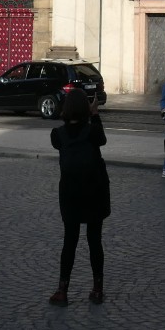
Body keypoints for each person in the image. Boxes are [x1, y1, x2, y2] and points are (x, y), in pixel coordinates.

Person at [48, 89, 109, 305]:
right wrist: (95, 114)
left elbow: (62, 138)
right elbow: (102, 139)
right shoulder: (92, 132)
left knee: (70, 241)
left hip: (70, 193)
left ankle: (62, 290)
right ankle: (97, 289)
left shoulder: (57, 135)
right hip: (94, 191)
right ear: (86, 109)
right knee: (95, 241)